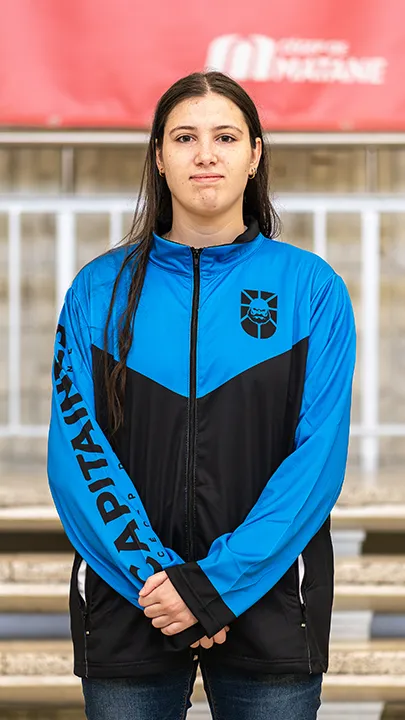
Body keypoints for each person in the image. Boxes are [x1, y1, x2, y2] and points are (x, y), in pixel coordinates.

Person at [47, 71, 356, 720]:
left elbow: (316, 459)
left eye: (225, 136)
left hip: (269, 600)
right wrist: (161, 584)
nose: (205, 154)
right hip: (133, 599)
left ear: (254, 153)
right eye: (185, 137)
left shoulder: (310, 289)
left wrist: (214, 585)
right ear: (159, 156)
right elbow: (78, 452)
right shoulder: (97, 292)